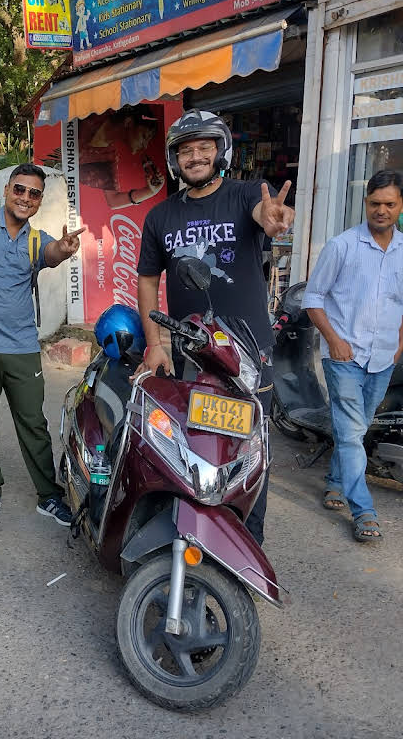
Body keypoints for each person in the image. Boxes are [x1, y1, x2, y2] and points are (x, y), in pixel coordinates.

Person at [135, 109, 294, 546]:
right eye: (186, 150)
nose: (196, 157)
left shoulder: (245, 196)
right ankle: (197, 538)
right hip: (194, 354)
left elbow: (268, 213)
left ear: (220, 152)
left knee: (250, 450)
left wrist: (274, 217)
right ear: (175, 160)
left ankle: (248, 542)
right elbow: (148, 280)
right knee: (197, 448)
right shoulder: (160, 217)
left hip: (248, 354)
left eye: (205, 147)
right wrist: (155, 344)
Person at [0, 163, 83, 526]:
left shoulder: (35, 239)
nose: (26, 197)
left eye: (34, 193)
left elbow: (52, 254)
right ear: (7, 190)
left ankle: (48, 495)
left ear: (39, 200)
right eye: (20, 190)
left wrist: (64, 247)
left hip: (21, 346)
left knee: (33, 422)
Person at [302, 169, 403, 542]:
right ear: (366, 204)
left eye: (389, 204)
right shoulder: (342, 246)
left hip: (382, 358)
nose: (381, 210)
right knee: (351, 433)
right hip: (344, 356)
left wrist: (398, 347)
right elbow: (313, 298)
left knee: (354, 429)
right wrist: (333, 339)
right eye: (375, 203)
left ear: (400, 205)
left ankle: (334, 481)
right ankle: (363, 510)